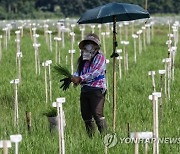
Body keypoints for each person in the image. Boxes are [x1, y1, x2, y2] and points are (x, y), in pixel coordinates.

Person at [71, 33, 108, 137]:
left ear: (96, 45)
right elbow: (79, 71)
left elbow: (95, 72)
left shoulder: (100, 57)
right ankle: (91, 138)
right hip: (85, 89)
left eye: (91, 43)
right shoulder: (84, 59)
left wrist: (80, 78)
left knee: (97, 114)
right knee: (86, 116)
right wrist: (73, 77)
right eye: (87, 43)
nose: (88, 46)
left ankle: (106, 138)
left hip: (96, 88)